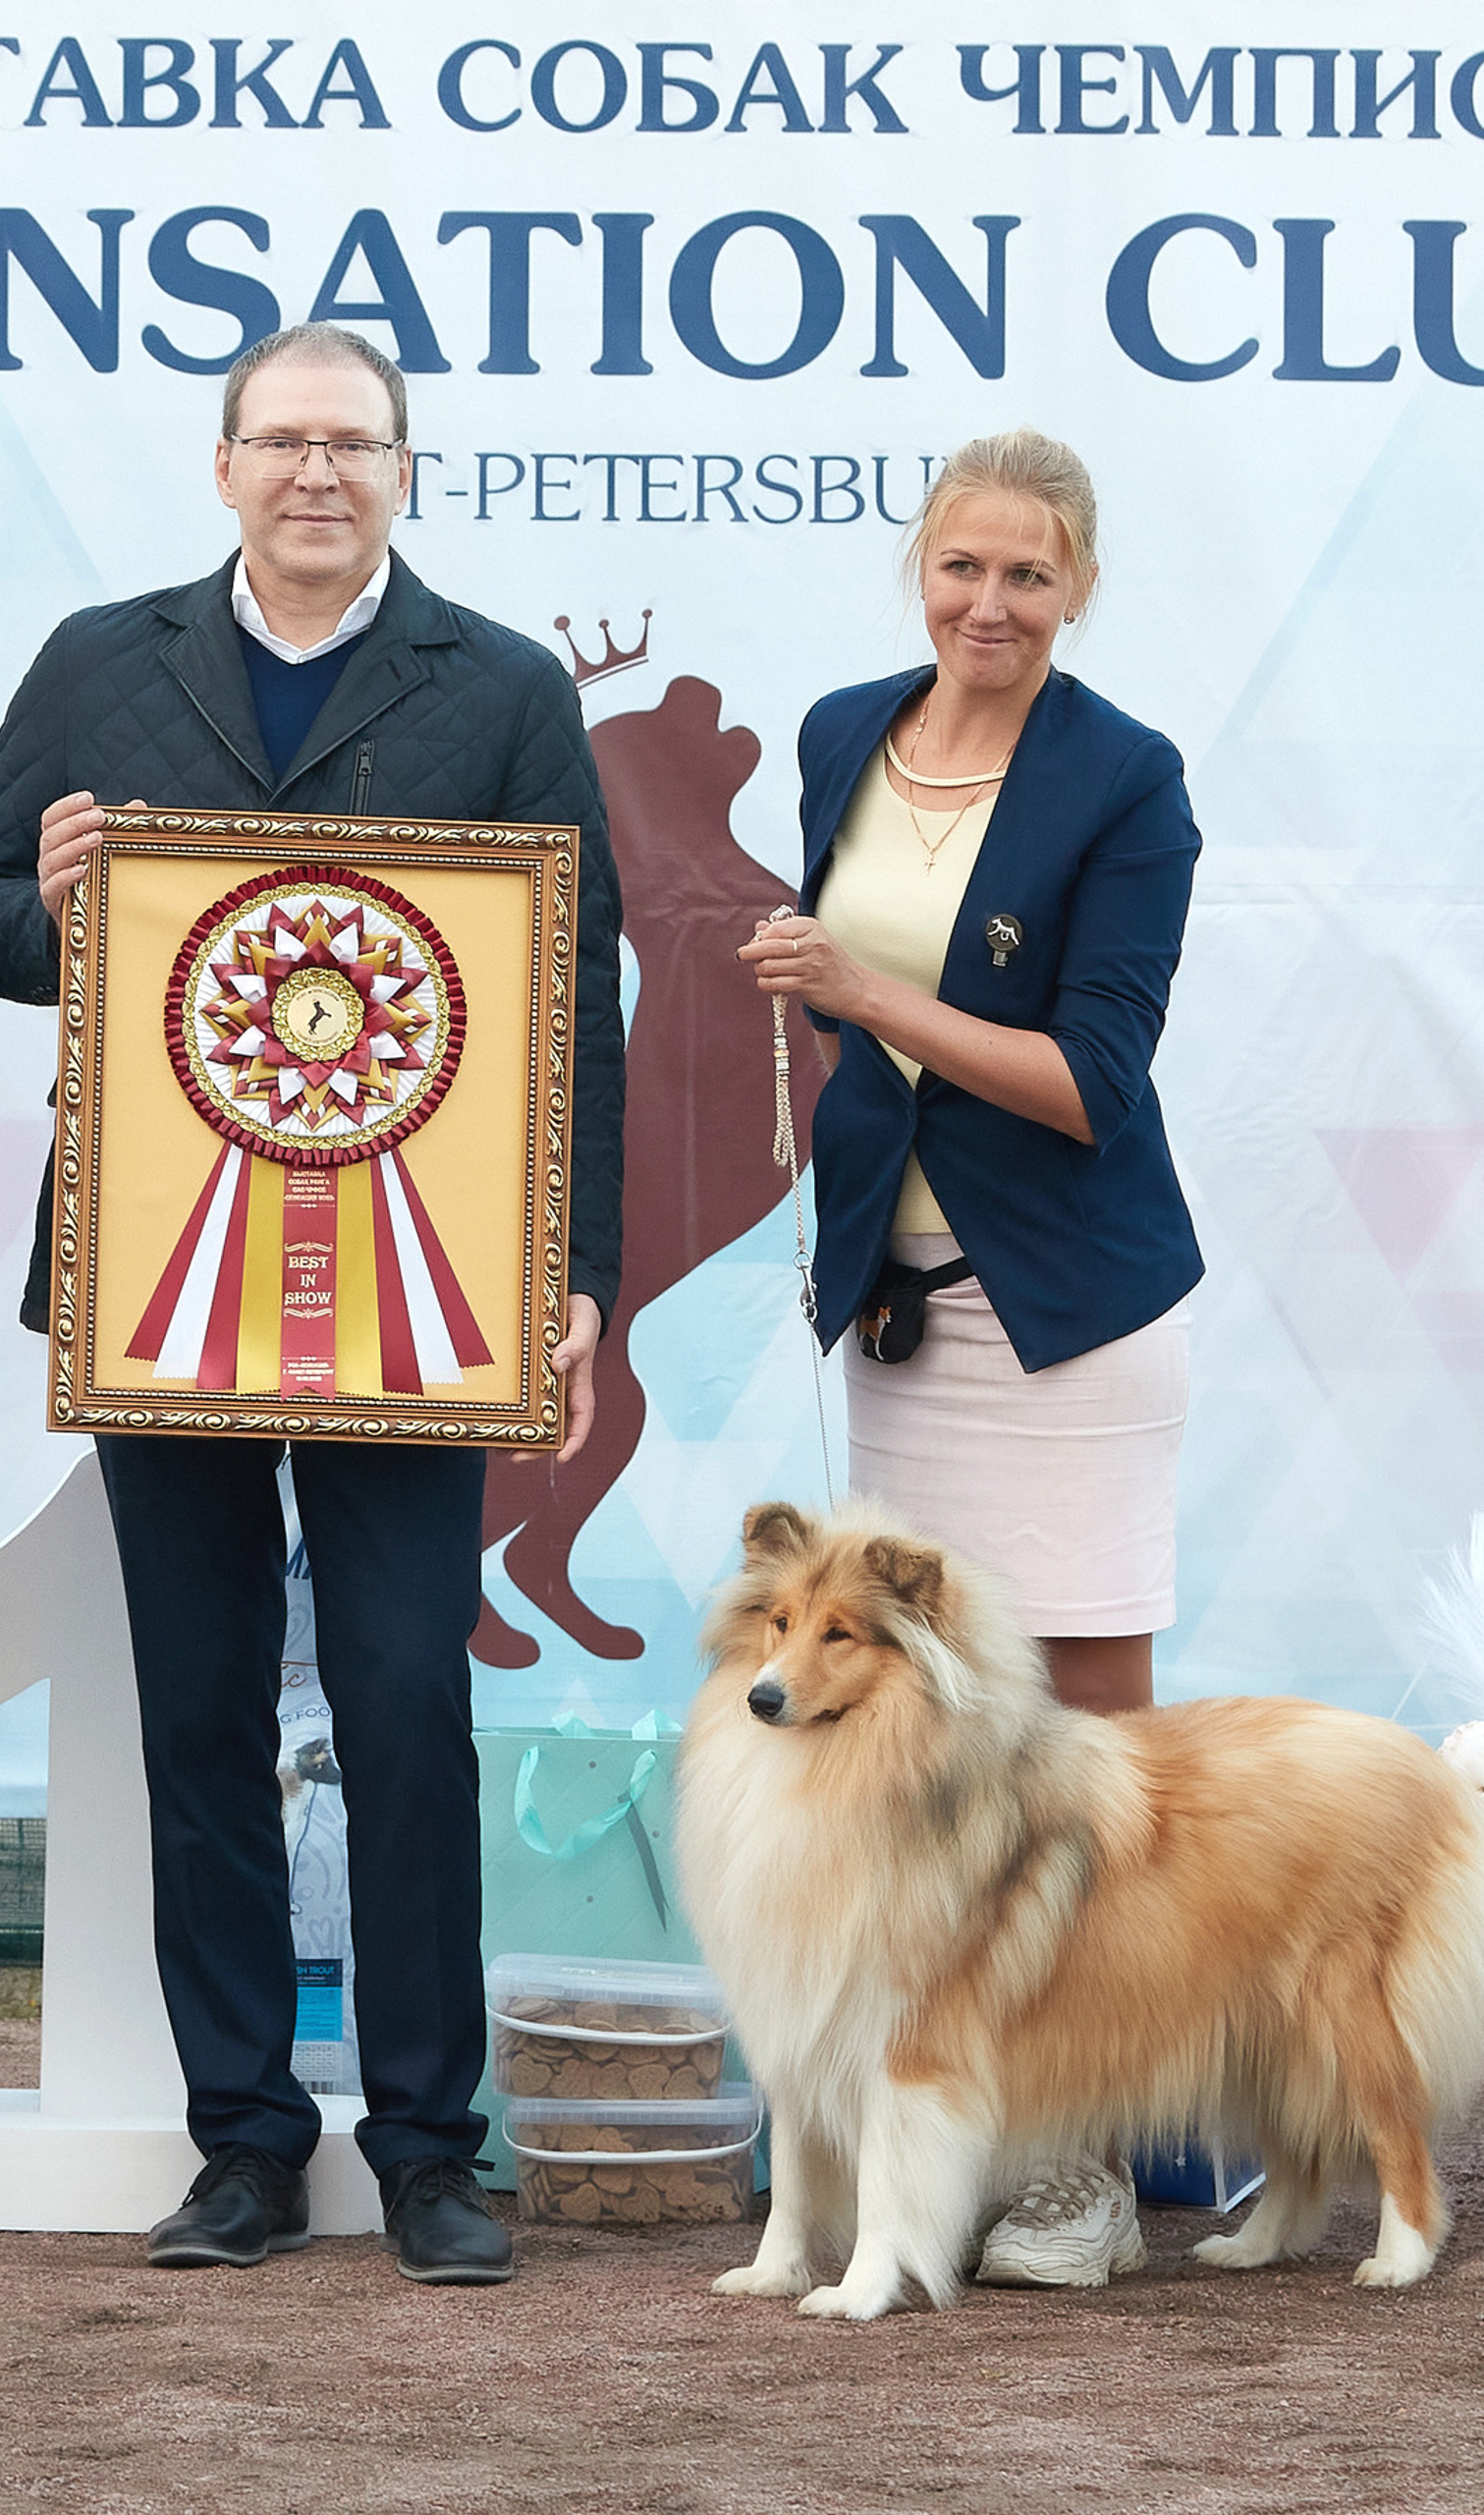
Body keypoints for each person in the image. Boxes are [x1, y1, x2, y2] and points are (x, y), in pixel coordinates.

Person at [0, 324, 625, 2286]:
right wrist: (51, 898)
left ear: (403, 471)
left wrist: (571, 1273)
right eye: (285, 441)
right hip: (162, 1276)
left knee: (408, 1701)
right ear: (221, 463)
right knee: (197, 1709)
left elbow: (570, 998)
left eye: (357, 442)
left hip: (420, 1288)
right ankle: (240, 2135)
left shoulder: (499, 687)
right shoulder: (97, 662)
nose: (319, 472)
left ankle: (427, 2143)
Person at [740, 426, 1203, 2289]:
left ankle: (1091, 2163)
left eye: (1029, 575)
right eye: (961, 569)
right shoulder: (844, 728)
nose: (990, 606)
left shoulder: (1127, 778)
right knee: (917, 1759)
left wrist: (862, 996)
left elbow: (1096, 1083)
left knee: (1085, 1752)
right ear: (914, 574)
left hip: (1072, 1314)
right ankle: (927, 2135)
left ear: (1078, 586)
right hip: (904, 1315)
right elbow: (846, 1034)